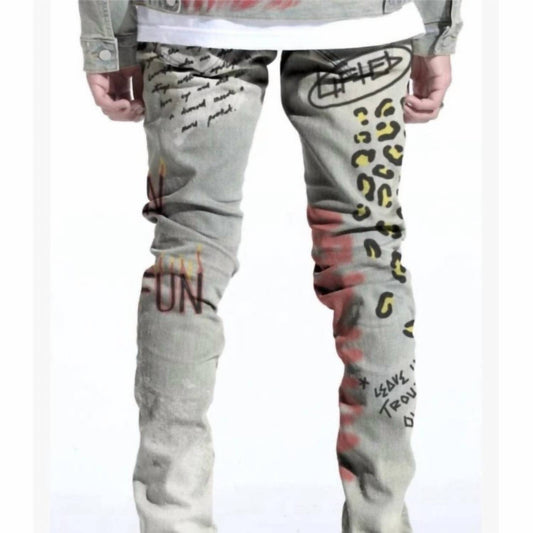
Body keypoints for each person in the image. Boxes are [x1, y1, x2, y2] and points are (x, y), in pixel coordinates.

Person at [77, 1, 463, 531]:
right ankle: (381, 521)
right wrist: (434, 29)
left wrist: (108, 38)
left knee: (188, 251)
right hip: (362, 20)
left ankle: (173, 520)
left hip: (193, 21)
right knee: (367, 252)